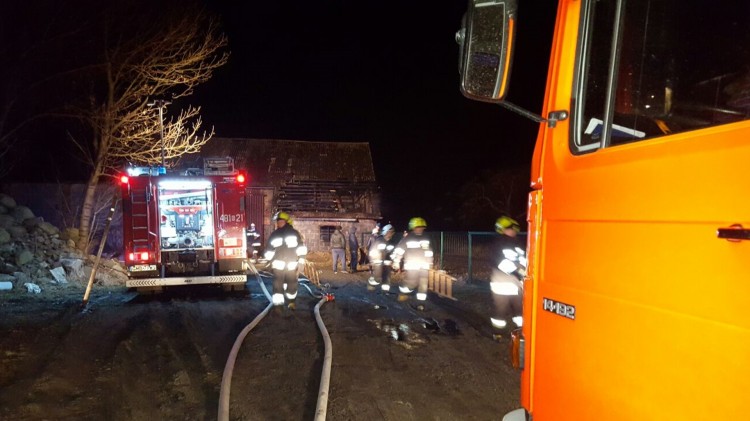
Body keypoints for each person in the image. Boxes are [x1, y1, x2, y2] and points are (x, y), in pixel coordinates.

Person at [489, 216, 527, 332]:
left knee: (519, 310)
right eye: (512, 228)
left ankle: (520, 331)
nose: (514, 231)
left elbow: (524, 260)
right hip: (502, 283)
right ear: (504, 229)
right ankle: (498, 333)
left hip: (517, 284)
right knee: (500, 311)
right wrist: (520, 272)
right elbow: (501, 263)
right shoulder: (497, 244)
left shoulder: (518, 244)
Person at [264, 211, 308, 311]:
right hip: (284, 265)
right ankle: (281, 305)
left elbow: (300, 248)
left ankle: (290, 302)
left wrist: (301, 261)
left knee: (290, 284)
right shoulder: (288, 234)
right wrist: (268, 260)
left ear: (286, 222)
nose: (278, 223)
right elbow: (270, 250)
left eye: (280, 221)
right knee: (280, 285)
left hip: (286, 265)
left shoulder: (279, 234)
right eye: (278, 221)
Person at [391, 217, 433, 304]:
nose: (420, 229)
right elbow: (399, 250)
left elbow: (429, 251)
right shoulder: (407, 238)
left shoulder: (426, 237)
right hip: (412, 265)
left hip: (424, 265)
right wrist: (396, 261)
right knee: (411, 283)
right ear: (413, 228)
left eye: (422, 227)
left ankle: (421, 302)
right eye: (418, 227)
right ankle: (403, 293)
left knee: (423, 284)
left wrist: (430, 262)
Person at [367, 224, 396, 292]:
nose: (391, 234)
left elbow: (392, 253)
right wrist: (372, 261)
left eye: (392, 232)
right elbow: (372, 251)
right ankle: (371, 283)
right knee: (378, 277)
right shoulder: (379, 241)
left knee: (387, 277)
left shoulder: (392, 243)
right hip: (378, 262)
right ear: (385, 232)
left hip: (387, 263)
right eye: (390, 232)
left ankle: (385, 290)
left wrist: (394, 261)